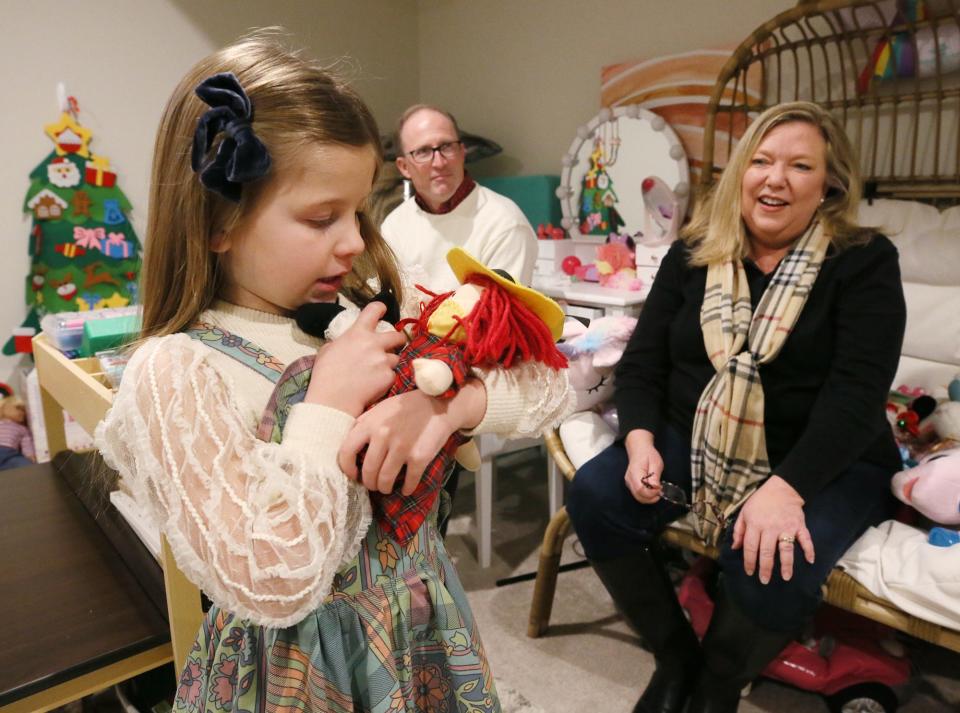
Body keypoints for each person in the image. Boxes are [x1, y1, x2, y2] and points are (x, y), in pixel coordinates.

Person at [95, 33, 571, 712]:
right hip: (298, 675)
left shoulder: (360, 310)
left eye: (357, 209)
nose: (353, 240)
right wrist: (330, 405)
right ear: (218, 222)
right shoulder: (175, 372)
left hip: (420, 630)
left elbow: (553, 387)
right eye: (322, 217)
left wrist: (444, 411)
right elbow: (277, 577)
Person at [566, 101, 907, 713]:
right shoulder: (694, 250)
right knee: (595, 497)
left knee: (770, 562)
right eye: (762, 160)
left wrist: (788, 488)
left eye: (800, 166)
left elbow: (857, 396)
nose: (775, 179)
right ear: (741, 172)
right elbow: (644, 363)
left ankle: (717, 684)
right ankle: (676, 659)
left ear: (828, 183)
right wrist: (640, 438)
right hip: (692, 432)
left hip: (826, 454)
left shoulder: (863, 261)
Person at [380, 104, 538, 293]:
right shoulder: (393, 226)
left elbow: (499, 316)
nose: (439, 163)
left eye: (446, 146)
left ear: (462, 152)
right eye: (422, 152)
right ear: (404, 167)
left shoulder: (505, 223)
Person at [0, 393, 34, 470]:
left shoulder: (22, 429)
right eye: (18, 408)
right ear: (4, 408)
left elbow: (27, 444)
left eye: (23, 410)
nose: (22, 413)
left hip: (10, 454)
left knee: (23, 463)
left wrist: (30, 455)